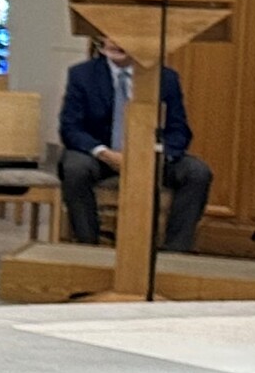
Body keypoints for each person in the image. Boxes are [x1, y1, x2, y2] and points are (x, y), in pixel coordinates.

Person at [59, 36, 211, 253]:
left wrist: (151, 155)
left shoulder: (164, 78)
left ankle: (175, 251)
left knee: (197, 172)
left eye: (123, 37)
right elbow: (71, 128)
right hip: (102, 157)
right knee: (75, 168)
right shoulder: (82, 74)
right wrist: (104, 153)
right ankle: (89, 247)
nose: (116, 43)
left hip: (151, 156)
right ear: (101, 40)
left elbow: (179, 131)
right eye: (111, 37)